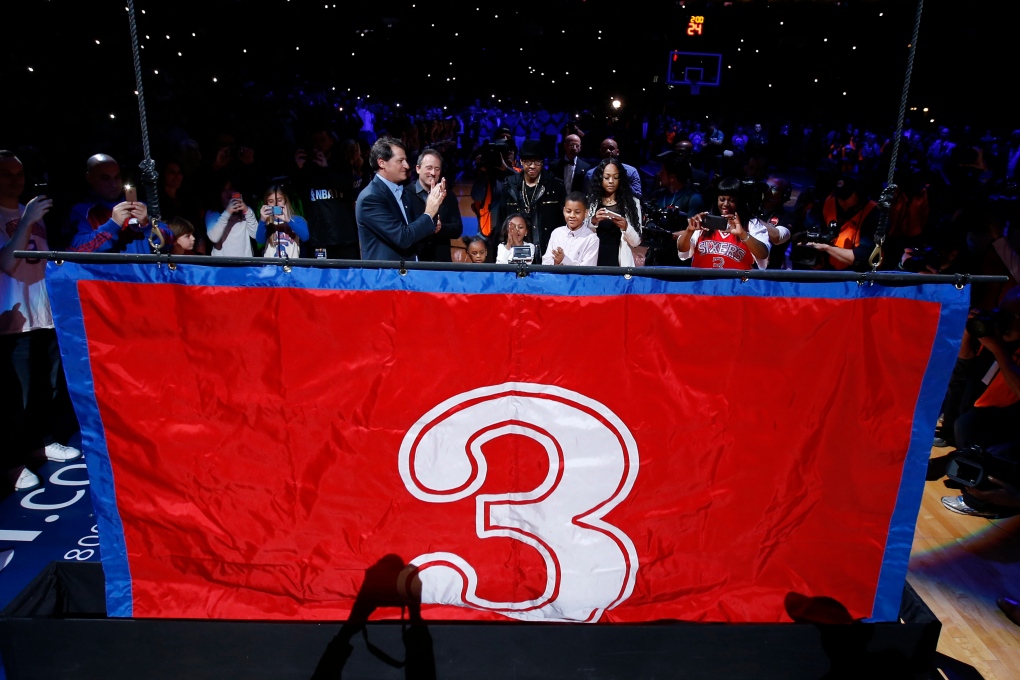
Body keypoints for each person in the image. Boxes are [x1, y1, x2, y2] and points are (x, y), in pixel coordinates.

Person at [1, 151, 82, 494]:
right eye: (7, 174)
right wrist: (27, 221)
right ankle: (10, 463)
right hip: (11, 317)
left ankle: (40, 442)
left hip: (44, 312)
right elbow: (6, 263)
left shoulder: (30, 211)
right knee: (13, 397)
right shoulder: (24, 215)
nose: (16, 180)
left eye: (20, 173)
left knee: (45, 388)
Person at [356, 137, 445, 261]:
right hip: (385, 276)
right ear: (382, 163)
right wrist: (429, 212)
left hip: (406, 272)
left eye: (406, 160)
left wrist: (432, 222)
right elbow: (402, 238)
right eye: (400, 161)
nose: (407, 166)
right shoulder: (371, 198)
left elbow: (412, 229)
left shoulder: (403, 192)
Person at [66, 154, 169, 254]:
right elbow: (77, 250)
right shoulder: (81, 211)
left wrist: (147, 225)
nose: (114, 185)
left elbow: (169, 241)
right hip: (107, 272)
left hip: (144, 271)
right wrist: (113, 225)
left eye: (117, 177)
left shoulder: (140, 207)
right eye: (105, 178)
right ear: (90, 178)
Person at [292, 129, 360, 259]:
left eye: (322, 140)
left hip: (343, 237)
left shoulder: (341, 164)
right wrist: (298, 169)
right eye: (315, 141)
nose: (318, 144)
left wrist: (326, 168)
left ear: (331, 141)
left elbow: (346, 188)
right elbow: (296, 193)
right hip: (318, 238)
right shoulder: (306, 168)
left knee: (347, 277)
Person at [678, 177, 770, 270]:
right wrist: (689, 231)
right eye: (722, 199)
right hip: (703, 283)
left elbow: (763, 254)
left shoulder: (751, 224)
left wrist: (742, 234)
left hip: (736, 283)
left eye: (732, 200)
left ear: (740, 202)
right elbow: (682, 249)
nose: (725, 204)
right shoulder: (704, 220)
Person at [499, 140, 566, 256]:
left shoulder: (555, 186)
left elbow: (562, 223)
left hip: (547, 250)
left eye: (537, 162)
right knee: (521, 274)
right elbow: (502, 221)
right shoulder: (510, 186)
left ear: (543, 162)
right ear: (521, 161)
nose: (532, 166)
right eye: (528, 162)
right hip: (517, 247)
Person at [583, 158, 642, 267]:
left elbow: (636, 242)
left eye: (615, 177)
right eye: (606, 177)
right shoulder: (591, 201)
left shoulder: (632, 203)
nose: (611, 181)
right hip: (594, 260)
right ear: (600, 178)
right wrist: (593, 221)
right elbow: (580, 234)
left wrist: (626, 227)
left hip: (619, 263)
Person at [407, 149, 462, 262]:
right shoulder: (406, 194)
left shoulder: (448, 195)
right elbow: (405, 231)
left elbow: (457, 229)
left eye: (437, 169)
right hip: (416, 262)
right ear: (418, 169)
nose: (433, 173)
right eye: (429, 168)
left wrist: (441, 229)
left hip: (441, 262)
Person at [542, 191, 599, 266]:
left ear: (585, 213)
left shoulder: (591, 239)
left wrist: (564, 260)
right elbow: (546, 261)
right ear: (564, 211)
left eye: (577, 212)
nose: (572, 215)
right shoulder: (557, 233)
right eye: (568, 211)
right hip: (555, 277)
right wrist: (555, 262)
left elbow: (588, 269)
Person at [206, 179, 258, 257]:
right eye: (224, 190)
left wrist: (247, 210)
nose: (228, 193)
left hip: (245, 264)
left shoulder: (246, 211)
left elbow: (256, 235)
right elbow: (214, 238)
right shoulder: (213, 213)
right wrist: (228, 212)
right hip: (223, 265)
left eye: (231, 189)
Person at [256, 185, 309, 259]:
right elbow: (260, 240)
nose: (276, 204)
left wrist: (288, 221)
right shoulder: (267, 222)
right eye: (271, 202)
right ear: (266, 204)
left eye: (280, 200)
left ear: (285, 201)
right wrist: (262, 221)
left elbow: (305, 237)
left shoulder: (296, 220)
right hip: (271, 266)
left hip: (291, 265)